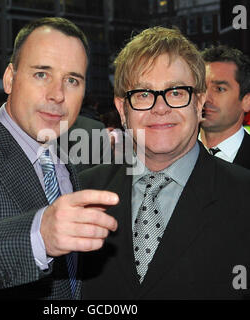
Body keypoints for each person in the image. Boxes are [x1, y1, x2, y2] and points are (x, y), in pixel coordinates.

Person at [0, 17, 118, 300]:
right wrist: (37, 237)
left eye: (72, 80)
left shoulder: (73, 162)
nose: (57, 95)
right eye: (42, 74)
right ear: (10, 78)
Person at [79, 27, 250, 299]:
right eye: (144, 94)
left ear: (199, 103)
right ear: (123, 109)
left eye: (176, 92)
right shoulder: (83, 194)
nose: (160, 108)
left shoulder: (244, 195)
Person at [199, 45, 250, 169]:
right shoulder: (172, 153)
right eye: (202, 87)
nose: (206, 98)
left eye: (219, 89)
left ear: (246, 101)